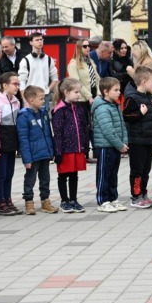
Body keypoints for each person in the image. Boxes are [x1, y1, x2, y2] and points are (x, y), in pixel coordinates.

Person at [122, 68, 152, 208]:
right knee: (137, 171)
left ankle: (144, 194)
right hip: (137, 140)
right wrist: (139, 113)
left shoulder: (149, 96)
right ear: (144, 82)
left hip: (148, 140)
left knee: (146, 170)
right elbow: (126, 115)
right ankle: (136, 196)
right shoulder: (132, 97)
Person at [50, 78, 89, 213]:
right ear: (66, 92)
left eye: (79, 92)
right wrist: (58, 152)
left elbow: (84, 128)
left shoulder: (79, 108)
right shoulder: (60, 110)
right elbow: (57, 133)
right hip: (65, 149)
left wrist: (85, 146)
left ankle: (73, 200)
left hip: (77, 148)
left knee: (74, 175)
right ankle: (64, 201)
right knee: (63, 175)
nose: (79, 95)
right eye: (76, 92)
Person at [15, 84, 55, 215]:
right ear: (31, 100)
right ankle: (29, 202)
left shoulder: (43, 113)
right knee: (30, 179)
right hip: (32, 155)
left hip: (44, 153)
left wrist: (51, 151)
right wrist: (26, 159)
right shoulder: (24, 116)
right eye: (41, 99)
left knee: (45, 179)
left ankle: (45, 201)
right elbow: (23, 139)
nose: (44, 101)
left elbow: (48, 134)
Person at [92, 77, 127, 213]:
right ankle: (102, 201)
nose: (119, 92)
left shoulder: (115, 105)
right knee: (104, 175)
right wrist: (120, 145)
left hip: (115, 146)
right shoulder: (102, 108)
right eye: (116, 90)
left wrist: (124, 142)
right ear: (106, 91)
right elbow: (108, 130)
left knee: (113, 174)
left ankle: (113, 199)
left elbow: (122, 126)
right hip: (105, 147)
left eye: (119, 89)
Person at [0, 72, 22, 215]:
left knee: (10, 173)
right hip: (2, 142)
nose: (17, 86)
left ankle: (8, 199)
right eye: (15, 84)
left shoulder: (16, 101)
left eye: (18, 84)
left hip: (12, 142)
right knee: (2, 174)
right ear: (5, 85)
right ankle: (0, 202)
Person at [67, 39, 99, 160]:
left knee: (94, 126)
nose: (88, 48)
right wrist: (89, 96)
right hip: (82, 100)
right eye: (84, 46)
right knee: (84, 126)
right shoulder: (73, 64)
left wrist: (98, 94)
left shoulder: (90, 61)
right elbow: (77, 83)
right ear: (79, 48)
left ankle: (96, 152)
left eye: (88, 46)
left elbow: (97, 79)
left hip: (94, 96)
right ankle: (84, 153)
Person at [18, 32, 58, 107]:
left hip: (44, 96)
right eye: (37, 40)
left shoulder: (49, 59)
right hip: (30, 97)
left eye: (41, 39)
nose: (40, 41)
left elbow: (55, 78)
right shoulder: (25, 60)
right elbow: (22, 81)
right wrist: (24, 99)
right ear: (31, 42)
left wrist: (47, 90)